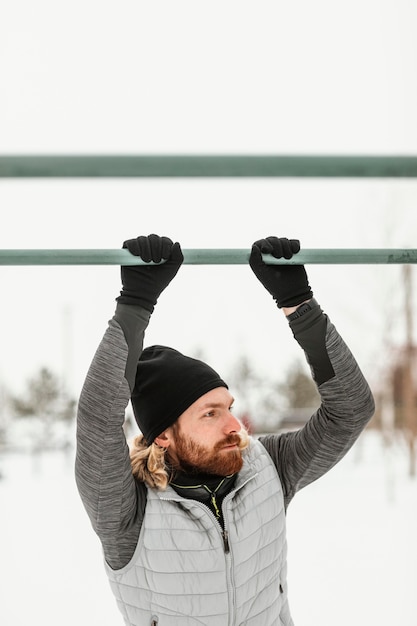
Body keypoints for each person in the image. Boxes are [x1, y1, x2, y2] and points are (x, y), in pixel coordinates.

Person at [75, 234, 375, 626]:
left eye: (228, 408)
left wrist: (299, 304)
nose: (235, 425)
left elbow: (351, 410)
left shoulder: (268, 468)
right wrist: (135, 304)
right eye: (210, 414)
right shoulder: (125, 511)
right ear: (163, 435)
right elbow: (98, 419)